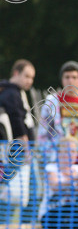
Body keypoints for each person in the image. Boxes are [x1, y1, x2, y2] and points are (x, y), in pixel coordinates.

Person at [37, 61, 78, 161]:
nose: (70, 81)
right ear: (62, 79)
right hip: (58, 158)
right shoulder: (51, 102)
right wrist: (49, 154)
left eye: (74, 77)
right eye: (67, 77)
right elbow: (43, 131)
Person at [0, 60, 35, 218]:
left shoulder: (13, 91)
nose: (29, 81)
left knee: (15, 191)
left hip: (14, 150)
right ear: (16, 73)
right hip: (17, 150)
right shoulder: (12, 93)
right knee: (15, 192)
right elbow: (17, 122)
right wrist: (26, 148)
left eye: (32, 78)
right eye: (26, 76)